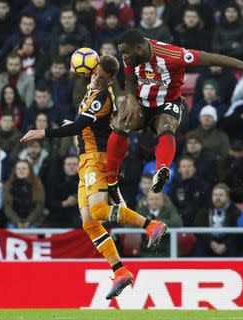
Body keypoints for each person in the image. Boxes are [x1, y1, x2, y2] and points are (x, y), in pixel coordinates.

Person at [20, 55, 168, 300]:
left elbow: (79, 127)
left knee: (98, 211)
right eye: (95, 73)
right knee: (89, 222)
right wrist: (78, 125)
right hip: (85, 159)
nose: (97, 77)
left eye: (102, 76)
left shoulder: (101, 96)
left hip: (96, 158)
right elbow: (87, 125)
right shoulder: (92, 91)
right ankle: (120, 271)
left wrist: (42, 132)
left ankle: (151, 225)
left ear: (110, 79)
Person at [107, 28, 243, 202]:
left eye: (125, 53)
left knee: (166, 127)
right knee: (121, 124)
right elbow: (129, 80)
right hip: (142, 101)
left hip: (168, 103)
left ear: (138, 48)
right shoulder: (130, 54)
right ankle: (112, 182)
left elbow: (214, 59)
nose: (124, 57)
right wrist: (130, 98)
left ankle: (162, 170)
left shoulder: (174, 55)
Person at [193, 184, 242, 257]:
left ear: (227, 197)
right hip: (209, 242)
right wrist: (211, 242)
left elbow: (237, 232)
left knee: (235, 249)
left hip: (227, 243)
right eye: (215, 195)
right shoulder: (205, 209)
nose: (217, 198)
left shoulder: (235, 211)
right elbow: (197, 227)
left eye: (221, 195)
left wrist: (225, 244)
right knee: (199, 247)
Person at [167, 155, 210, 226]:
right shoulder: (174, 187)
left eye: (189, 166)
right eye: (184, 166)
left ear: (194, 168)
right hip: (179, 223)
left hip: (198, 223)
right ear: (179, 170)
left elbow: (204, 206)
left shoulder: (202, 186)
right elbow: (171, 206)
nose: (187, 169)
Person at [3, 160, 46, 229]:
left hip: (34, 221)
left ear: (30, 170)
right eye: (18, 169)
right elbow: (7, 207)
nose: (21, 171)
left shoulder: (37, 184)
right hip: (14, 221)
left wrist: (29, 221)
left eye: (24, 168)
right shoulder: (8, 185)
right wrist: (17, 222)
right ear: (15, 171)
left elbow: (39, 205)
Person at [44, 155, 80, 228]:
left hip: (78, 215)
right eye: (69, 164)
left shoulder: (85, 181)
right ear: (64, 166)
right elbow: (49, 202)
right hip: (57, 215)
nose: (71, 167)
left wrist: (76, 199)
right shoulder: (54, 181)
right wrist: (64, 203)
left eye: (74, 164)